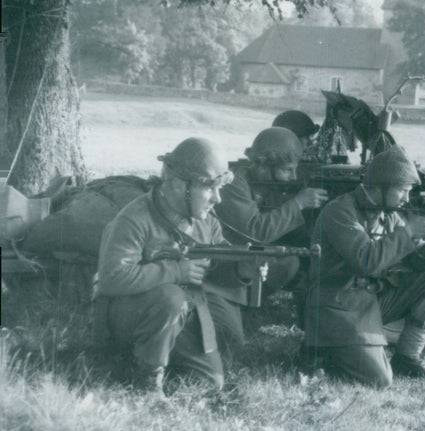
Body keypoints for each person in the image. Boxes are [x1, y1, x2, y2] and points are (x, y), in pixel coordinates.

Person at [304, 145, 425, 387]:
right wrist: (409, 231)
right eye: (403, 191)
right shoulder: (340, 211)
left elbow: (417, 257)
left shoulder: (386, 212)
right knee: (379, 380)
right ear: (379, 187)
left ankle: (407, 356)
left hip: (368, 302)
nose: (406, 199)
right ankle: (323, 351)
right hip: (337, 307)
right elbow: (367, 261)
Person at [94, 137, 253, 394]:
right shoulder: (134, 219)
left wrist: (243, 270)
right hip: (125, 320)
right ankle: (146, 380)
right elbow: (112, 278)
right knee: (171, 296)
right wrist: (175, 271)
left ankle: (158, 358)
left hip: (181, 315)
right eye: (210, 188)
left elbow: (217, 261)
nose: (218, 198)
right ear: (180, 185)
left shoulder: (206, 220)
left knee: (210, 384)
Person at [214, 127, 328, 296]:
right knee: (288, 263)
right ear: (263, 165)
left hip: (247, 253)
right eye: (287, 169)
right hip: (227, 263)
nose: (293, 176)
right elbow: (255, 232)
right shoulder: (234, 184)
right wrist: (298, 204)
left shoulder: (264, 182)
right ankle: (245, 300)